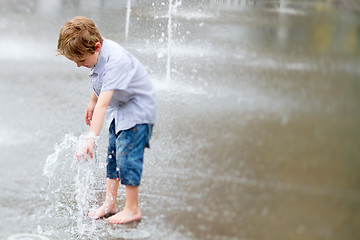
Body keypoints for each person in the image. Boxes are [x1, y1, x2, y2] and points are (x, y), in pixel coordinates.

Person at [57, 16, 157, 224]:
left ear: (97, 47)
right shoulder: (98, 51)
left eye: (81, 61)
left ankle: (132, 208)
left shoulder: (116, 61)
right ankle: (110, 203)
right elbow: (100, 82)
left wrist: (91, 137)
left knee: (127, 156)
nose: (78, 65)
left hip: (137, 109)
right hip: (120, 106)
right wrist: (92, 100)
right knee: (112, 155)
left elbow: (104, 104)